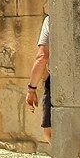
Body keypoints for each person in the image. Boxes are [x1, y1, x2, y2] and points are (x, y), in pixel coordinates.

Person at [24, 14, 51, 142]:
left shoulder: (51, 19)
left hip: (59, 83)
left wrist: (31, 89)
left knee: (50, 133)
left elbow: (42, 57)